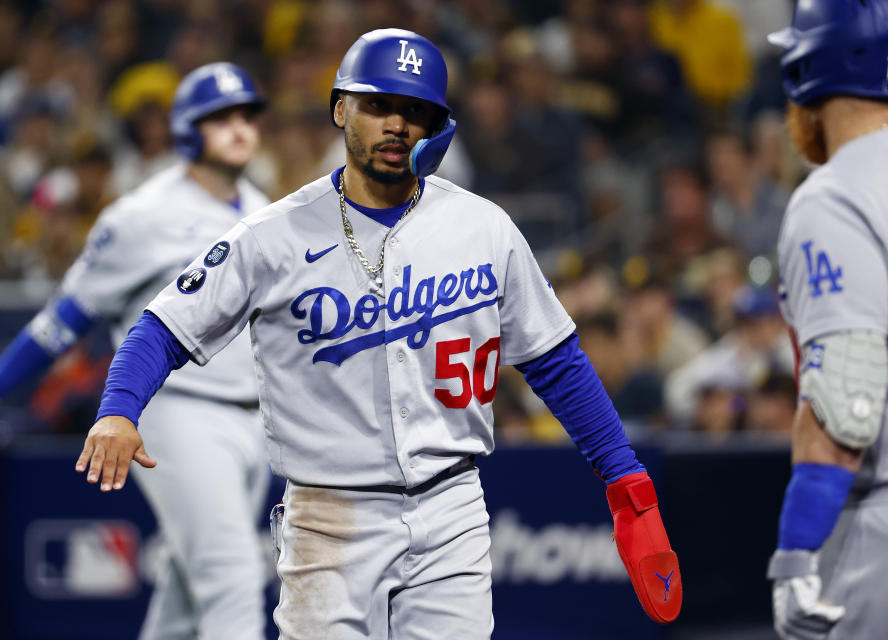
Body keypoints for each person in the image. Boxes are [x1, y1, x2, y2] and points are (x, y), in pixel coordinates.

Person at [75, 30, 682, 638]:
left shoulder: (483, 228)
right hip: (330, 517)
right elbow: (159, 329)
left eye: (416, 111)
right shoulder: (270, 236)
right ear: (341, 109)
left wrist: (626, 481)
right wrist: (119, 410)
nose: (397, 124)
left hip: (453, 508)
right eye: (379, 105)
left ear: (439, 127)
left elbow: (556, 362)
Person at [0, 62, 272, 640]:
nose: (240, 127)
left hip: (255, 422)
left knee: (184, 592)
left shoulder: (266, 209)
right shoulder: (139, 216)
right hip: (179, 410)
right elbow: (63, 320)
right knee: (232, 577)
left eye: (248, 114)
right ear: (186, 129)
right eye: (221, 117)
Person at [767, 3, 888, 638]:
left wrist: (796, 555)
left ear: (805, 70)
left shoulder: (835, 195)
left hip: (876, 535)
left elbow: (848, 397)